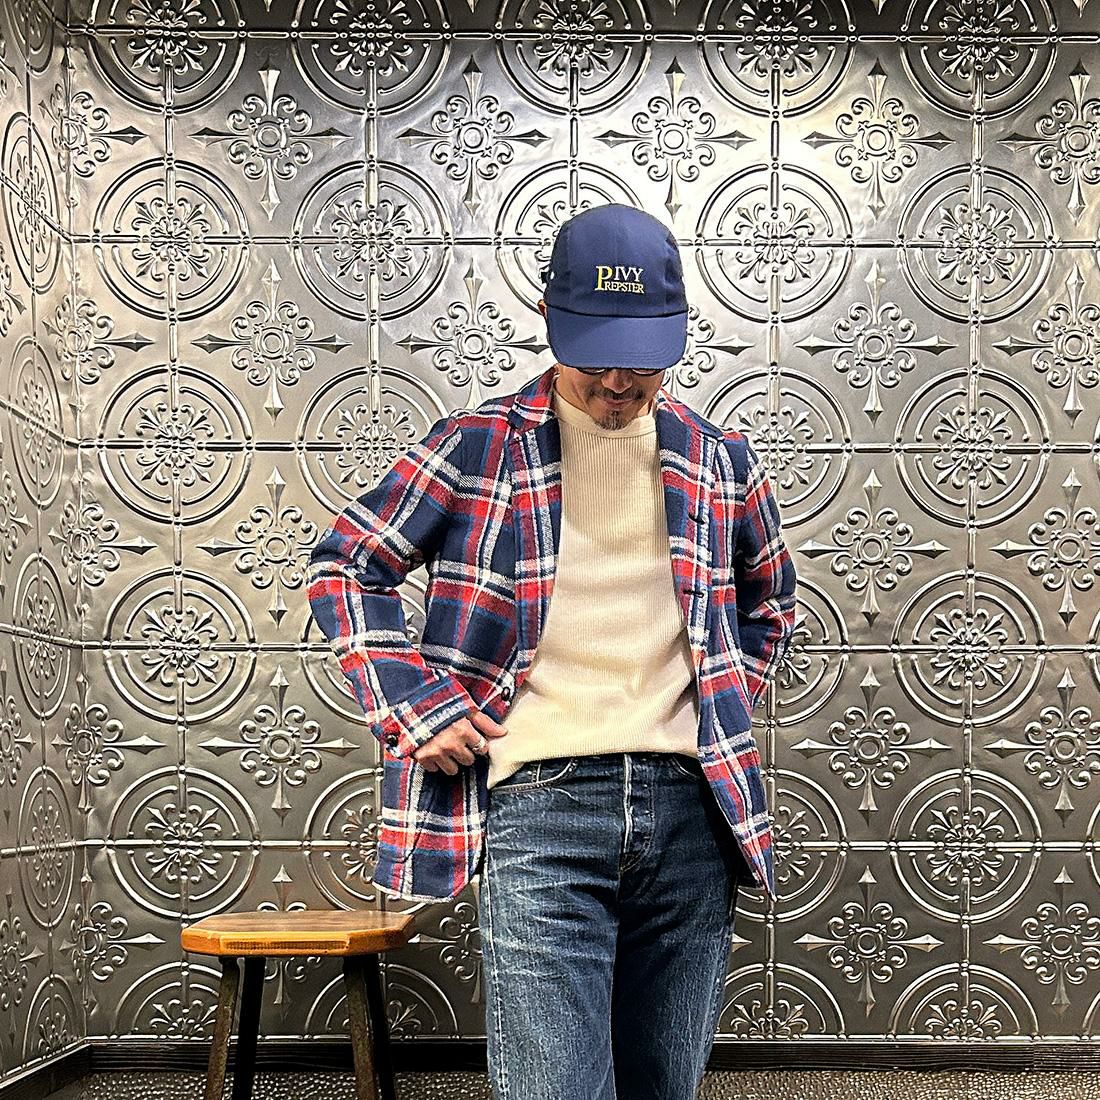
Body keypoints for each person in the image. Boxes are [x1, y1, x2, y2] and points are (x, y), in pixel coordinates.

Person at [307, 202, 797, 1099]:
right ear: (548, 318)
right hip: (541, 807)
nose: (617, 380)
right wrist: (417, 709)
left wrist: (722, 704)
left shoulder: (721, 459)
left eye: (641, 356)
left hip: (692, 812)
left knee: (663, 1088)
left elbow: (771, 602)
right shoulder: (476, 446)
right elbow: (346, 567)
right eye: (595, 352)